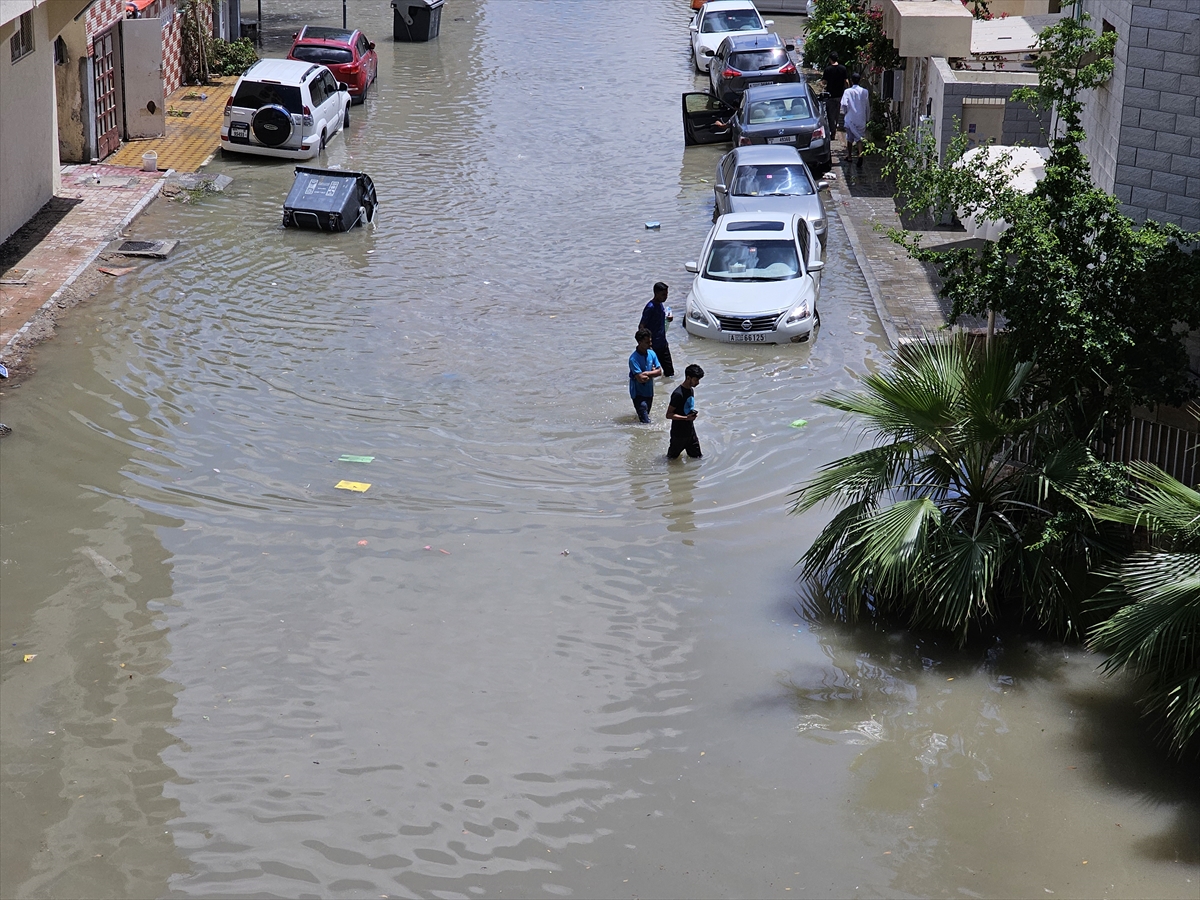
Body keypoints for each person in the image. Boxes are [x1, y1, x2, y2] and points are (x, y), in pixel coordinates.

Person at [666, 364, 705, 460]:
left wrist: (692, 414)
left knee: (698, 459)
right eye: (696, 380)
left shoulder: (691, 390)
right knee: (671, 461)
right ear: (688, 378)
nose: (698, 383)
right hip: (678, 434)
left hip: (690, 432)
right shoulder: (678, 394)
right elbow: (668, 415)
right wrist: (686, 418)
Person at [638, 282, 675, 378]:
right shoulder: (650, 307)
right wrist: (646, 344)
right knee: (651, 373)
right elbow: (641, 326)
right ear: (656, 293)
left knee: (670, 373)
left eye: (667, 294)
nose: (666, 297)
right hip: (652, 347)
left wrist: (668, 319)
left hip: (663, 344)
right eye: (663, 294)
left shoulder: (661, 305)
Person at [628, 327, 662, 424]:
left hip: (649, 392)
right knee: (646, 422)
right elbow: (641, 379)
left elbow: (660, 372)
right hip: (638, 393)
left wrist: (646, 373)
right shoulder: (633, 359)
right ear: (639, 342)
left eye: (650, 341)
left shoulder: (652, 353)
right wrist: (652, 372)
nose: (650, 344)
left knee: (645, 416)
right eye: (647, 342)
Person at [840, 72, 870, 169]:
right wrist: (867, 117)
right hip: (861, 118)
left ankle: (849, 156)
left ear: (851, 81)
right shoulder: (865, 92)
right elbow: (867, 106)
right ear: (860, 80)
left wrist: (846, 112)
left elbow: (844, 104)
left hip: (851, 118)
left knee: (850, 137)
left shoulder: (847, 91)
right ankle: (860, 155)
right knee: (859, 138)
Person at [822, 53, 849, 138]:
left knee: (830, 115)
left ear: (830, 59)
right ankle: (835, 126)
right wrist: (847, 91)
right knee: (837, 113)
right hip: (840, 95)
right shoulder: (843, 68)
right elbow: (846, 82)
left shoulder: (828, 69)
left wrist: (822, 85)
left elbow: (824, 82)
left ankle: (832, 131)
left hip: (830, 95)